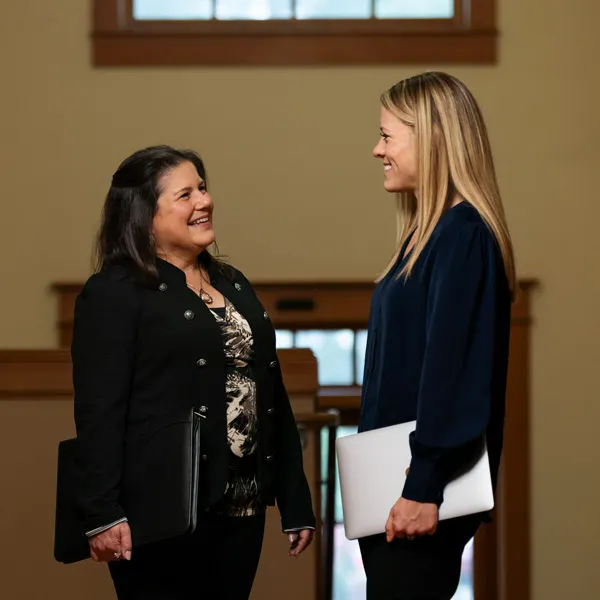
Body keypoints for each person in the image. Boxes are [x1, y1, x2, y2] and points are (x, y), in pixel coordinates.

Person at [71, 145, 315, 600]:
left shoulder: (233, 282)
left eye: (202, 188)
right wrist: (101, 513)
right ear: (145, 215)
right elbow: (98, 412)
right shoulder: (114, 292)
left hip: (243, 509)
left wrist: (295, 498)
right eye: (185, 195)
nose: (204, 201)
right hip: (162, 511)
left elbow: (270, 391)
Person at [358, 71, 515, 599]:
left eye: (387, 136)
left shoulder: (463, 237)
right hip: (395, 491)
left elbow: (455, 375)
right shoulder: (424, 239)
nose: (376, 149)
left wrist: (423, 485)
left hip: (421, 494)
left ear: (431, 138)